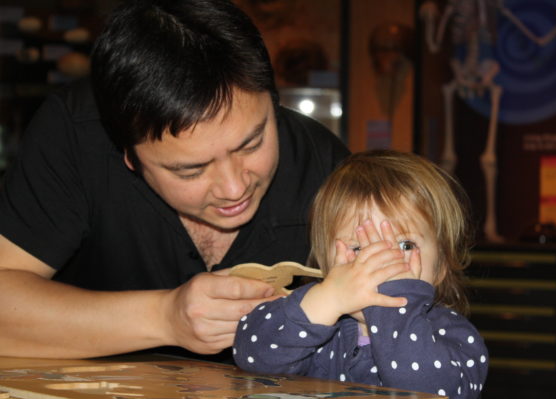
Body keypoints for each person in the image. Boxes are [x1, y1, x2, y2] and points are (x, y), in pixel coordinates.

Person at [0, 0, 349, 360]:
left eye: (252, 143)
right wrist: (165, 317)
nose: (234, 188)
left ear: (273, 104)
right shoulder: (75, 136)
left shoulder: (324, 165)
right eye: (191, 170)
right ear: (129, 156)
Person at [234, 150, 488, 399]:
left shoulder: (453, 334)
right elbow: (252, 358)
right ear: (326, 263)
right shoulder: (317, 315)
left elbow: (432, 392)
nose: (380, 263)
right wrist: (325, 301)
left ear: (441, 266)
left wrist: (395, 307)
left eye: (405, 246)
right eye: (358, 248)